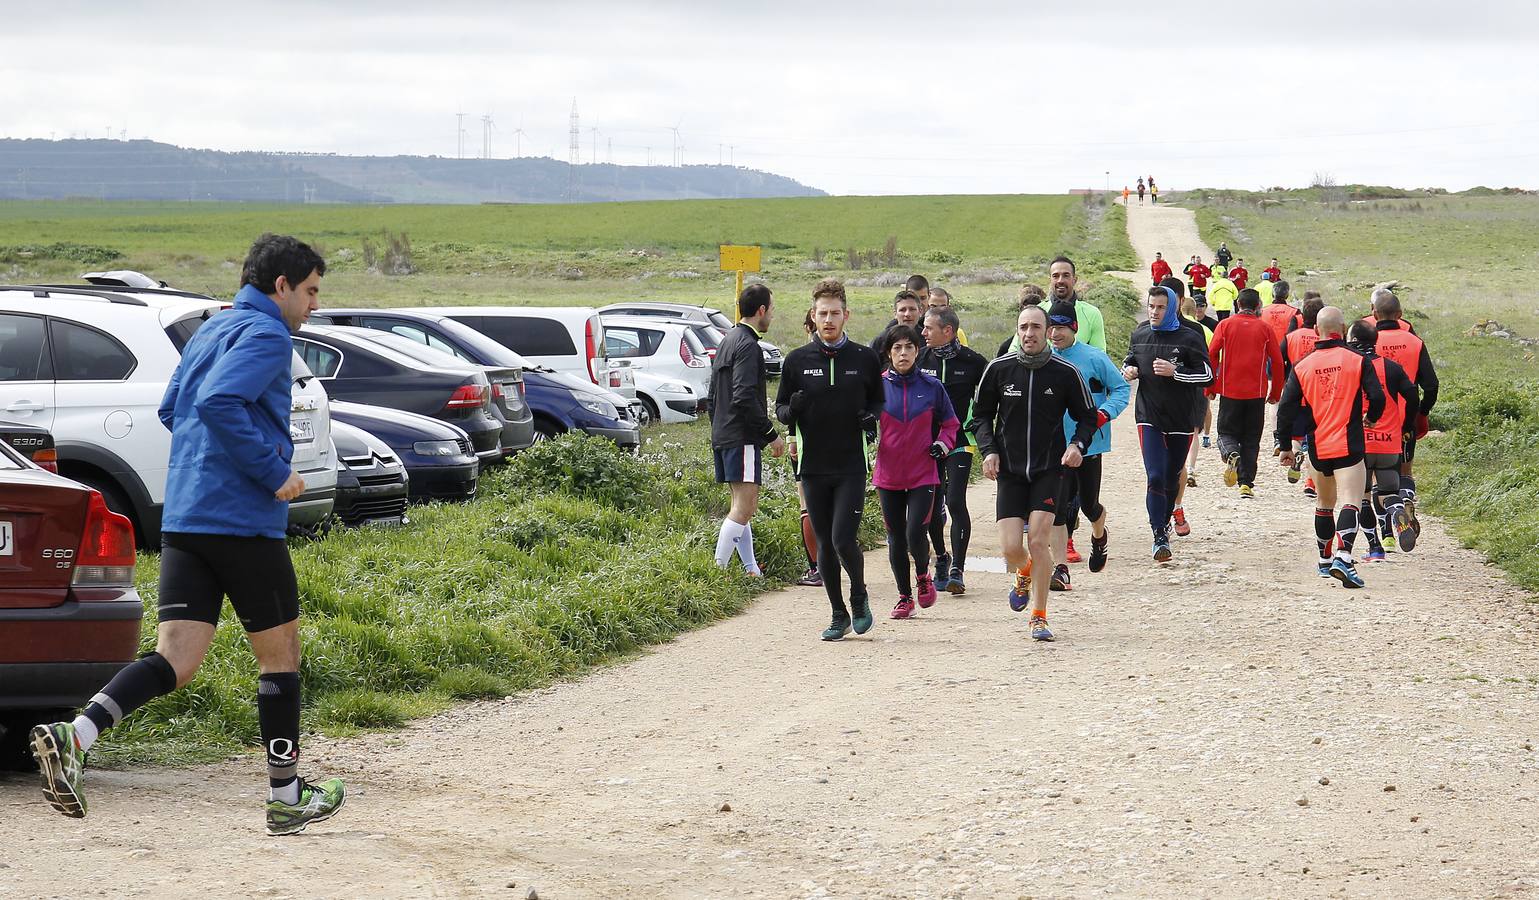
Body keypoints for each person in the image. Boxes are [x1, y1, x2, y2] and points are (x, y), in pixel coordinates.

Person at [30, 234, 346, 835]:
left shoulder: (210, 329)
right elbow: (223, 401)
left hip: (184, 518)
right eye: (308, 292)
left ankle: (77, 734)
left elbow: (176, 409)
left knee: (175, 659)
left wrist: (212, 461)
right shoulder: (265, 334)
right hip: (242, 524)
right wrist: (272, 471)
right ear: (280, 285)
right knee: (280, 659)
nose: (312, 305)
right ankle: (285, 797)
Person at [972, 305, 1098, 642]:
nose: (1029, 333)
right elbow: (980, 416)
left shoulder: (1064, 372)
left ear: (1046, 332)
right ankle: (1023, 572)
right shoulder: (999, 369)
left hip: (1049, 468)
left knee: (1039, 542)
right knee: (1012, 549)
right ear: (1018, 331)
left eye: (1035, 327)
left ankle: (1039, 616)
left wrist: (1077, 446)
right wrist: (989, 451)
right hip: (1011, 471)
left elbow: (1088, 416)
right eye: (1023, 327)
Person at [776, 278, 884, 641]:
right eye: (822, 313)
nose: (829, 319)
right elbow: (780, 409)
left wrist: (872, 417)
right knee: (823, 543)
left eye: (835, 313)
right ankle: (838, 613)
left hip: (851, 463)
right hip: (812, 465)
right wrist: (793, 409)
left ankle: (859, 594)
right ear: (813, 315)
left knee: (842, 539)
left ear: (846, 315)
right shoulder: (796, 361)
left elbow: (878, 401)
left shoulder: (865, 358)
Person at [1275, 307, 1386, 588]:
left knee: (1324, 504)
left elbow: (1285, 409)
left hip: (1318, 446)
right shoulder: (1357, 360)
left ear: (1316, 331)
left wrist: (1286, 446)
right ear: (1343, 328)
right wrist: (1370, 418)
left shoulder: (1303, 365)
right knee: (1351, 501)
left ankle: (1324, 561)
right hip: (1348, 443)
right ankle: (1343, 557)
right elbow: (1377, 397)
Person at [873, 326, 960, 619]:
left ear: (916, 351)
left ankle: (923, 575)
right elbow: (857, 420)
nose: (903, 353)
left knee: (914, 532)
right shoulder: (877, 386)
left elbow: (951, 424)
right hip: (888, 475)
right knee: (895, 537)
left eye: (908, 347)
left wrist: (942, 445)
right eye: (896, 348)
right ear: (888, 353)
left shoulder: (932, 386)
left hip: (924, 473)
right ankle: (903, 596)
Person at [1123, 285, 1213, 561]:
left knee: (1173, 476)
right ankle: (1159, 534)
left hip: (1182, 417)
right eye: (1151, 306)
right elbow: (1129, 359)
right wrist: (1128, 370)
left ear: (1172, 307)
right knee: (1155, 475)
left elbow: (1208, 375)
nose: (1154, 312)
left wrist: (1177, 372)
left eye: (1160, 307)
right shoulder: (1140, 333)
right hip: (1148, 416)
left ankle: (1165, 521)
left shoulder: (1190, 336)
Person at [1045, 300, 1129, 589]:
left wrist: (1104, 414)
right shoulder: (1042, 358)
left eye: (1061, 328)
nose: (1055, 334)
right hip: (1056, 445)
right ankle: (1060, 568)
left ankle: (1098, 535)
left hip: (1089, 444)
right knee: (1057, 507)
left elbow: (1121, 388)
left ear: (1075, 328)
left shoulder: (1094, 358)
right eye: (1051, 327)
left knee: (1089, 506)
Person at [710, 283, 787, 577]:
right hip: (741, 436)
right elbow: (743, 396)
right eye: (772, 309)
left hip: (724, 433)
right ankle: (718, 571)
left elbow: (713, 395)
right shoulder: (749, 346)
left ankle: (751, 569)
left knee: (740, 506)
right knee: (744, 506)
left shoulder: (727, 340)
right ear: (762, 310)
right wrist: (771, 434)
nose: (772, 316)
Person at [918, 305, 989, 594]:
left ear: (947, 331)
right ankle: (942, 558)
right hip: (927, 444)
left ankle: (958, 568)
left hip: (960, 440)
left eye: (928, 328)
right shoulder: (919, 358)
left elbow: (988, 403)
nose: (922, 333)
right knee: (934, 510)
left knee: (956, 501)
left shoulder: (974, 362)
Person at [1346, 321, 1419, 560]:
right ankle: (1397, 510)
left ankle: (1375, 547)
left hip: (1361, 443)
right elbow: (1412, 396)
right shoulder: (1393, 368)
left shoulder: (1351, 365)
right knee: (1388, 492)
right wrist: (1407, 426)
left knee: (1363, 496)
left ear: (1354, 340)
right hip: (1389, 441)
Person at [1206, 288, 1285, 498]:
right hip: (1256, 393)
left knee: (1225, 432)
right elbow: (1277, 362)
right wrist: (1275, 391)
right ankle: (1246, 483)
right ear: (1258, 306)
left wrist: (1210, 386)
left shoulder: (1225, 325)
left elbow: (1212, 354)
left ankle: (1230, 453)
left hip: (1230, 391)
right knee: (1251, 438)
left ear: (1237, 305)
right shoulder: (1265, 329)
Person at [1371, 288, 1438, 527]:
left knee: (1380, 476)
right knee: (1405, 471)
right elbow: (1431, 385)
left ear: (1373, 313)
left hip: (1375, 420)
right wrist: (1423, 412)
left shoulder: (1369, 343)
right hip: (1406, 419)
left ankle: (1388, 530)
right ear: (1400, 314)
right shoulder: (1415, 342)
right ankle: (1407, 500)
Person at [1282, 296, 1326, 490]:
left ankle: (1297, 452)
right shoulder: (1324, 338)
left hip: (1296, 395)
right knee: (1316, 442)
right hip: (1319, 399)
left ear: (1303, 316)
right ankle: (1311, 482)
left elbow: (1280, 359)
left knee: (1296, 437)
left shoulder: (1292, 337)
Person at [792, 308, 823, 587]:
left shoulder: (801, 359)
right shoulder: (799, 360)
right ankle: (824, 564)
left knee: (809, 507)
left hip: (810, 444)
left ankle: (818, 567)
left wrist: (791, 439)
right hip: (812, 444)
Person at [1048, 256, 1106, 351]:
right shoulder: (1036, 312)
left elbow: (1099, 355)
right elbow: (1015, 349)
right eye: (1055, 276)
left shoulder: (1092, 314)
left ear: (1074, 280)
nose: (1060, 280)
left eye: (1066, 275)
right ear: (1050, 279)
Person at [871, 289, 926, 361]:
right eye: (902, 310)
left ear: (920, 311)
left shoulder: (927, 339)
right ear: (895, 314)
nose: (907, 314)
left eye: (912, 309)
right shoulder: (881, 340)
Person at [1259, 279, 1300, 348]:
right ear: (1287, 295)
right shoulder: (1295, 312)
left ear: (1272, 294)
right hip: (1286, 351)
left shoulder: (1261, 311)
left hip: (1266, 350)